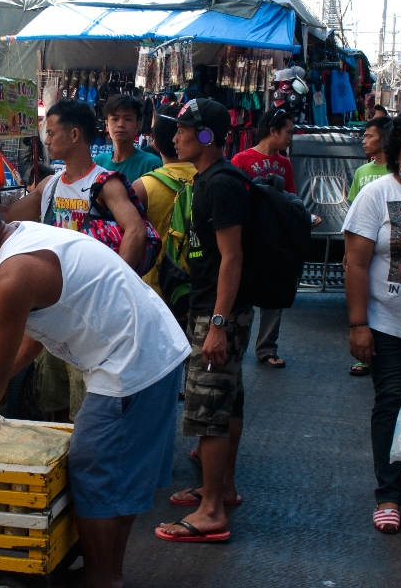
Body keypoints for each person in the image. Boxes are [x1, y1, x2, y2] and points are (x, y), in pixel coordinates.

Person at [0, 176, 190, 587]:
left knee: (93, 467)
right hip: (155, 349)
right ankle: (107, 570)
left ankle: (103, 578)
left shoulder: (13, 276)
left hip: (132, 367)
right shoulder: (30, 236)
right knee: (114, 473)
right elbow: (29, 340)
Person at [0, 100, 151, 421]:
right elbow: (9, 218)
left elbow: (135, 230)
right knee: (54, 405)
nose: (47, 140)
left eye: (52, 132)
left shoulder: (104, 182)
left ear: (75, 134)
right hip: (57, 316)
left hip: (92, 320)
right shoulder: (49, 185)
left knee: (89, 411)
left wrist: (118, 288)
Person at [155, 99, 254, 543]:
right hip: (215, 309)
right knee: (226, 401)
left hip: (219, 314)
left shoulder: (220, 184)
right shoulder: (206, 181)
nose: (174, 137)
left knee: (208, 408)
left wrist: (217, 323)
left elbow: (231, 259)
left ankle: (211, 510)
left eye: (184, 129)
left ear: (208, 136)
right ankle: (221, 488)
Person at [343, 111, 401, 534]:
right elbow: (355, 264)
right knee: (391, 400)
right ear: (396, 153)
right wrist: (358, 324)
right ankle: (388, 494)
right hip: (388, 322)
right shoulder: (376, 195)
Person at [231, 109, 304, 369]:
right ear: (273, 131)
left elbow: (291, 200)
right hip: (248, 238)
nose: (289, 138)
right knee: (244, 293)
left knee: (274, 293)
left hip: (275, 240)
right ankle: (237, 343)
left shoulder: (285, 164)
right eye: (288, 133)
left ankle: (266, 348)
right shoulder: (241, 159)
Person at [132, 102, 197, 308]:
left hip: (155, 290)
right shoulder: (207, 179)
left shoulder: (143, 186)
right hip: (199, 288)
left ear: (155, 143)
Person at [346, 115, 393, 377]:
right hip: (364, 247)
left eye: (369, 136)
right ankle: (365, 353)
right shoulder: (362, 173)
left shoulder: (395, 175)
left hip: (387, 249)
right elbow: (352, 214)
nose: (364, 141)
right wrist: (347, 252)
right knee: (363, 297)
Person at [94, 94, 162, 183]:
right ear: (107, 125)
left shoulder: (151, 164)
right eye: (115, 119)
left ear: (138, 125)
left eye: (128, 119)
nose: (120, 124)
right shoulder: (98, 162)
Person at [348, 116, 392, 203]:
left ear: (384, 138)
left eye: (369, 136)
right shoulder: (361, 171)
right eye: (365, 137)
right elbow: (354, 205)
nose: (364, 141)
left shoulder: (399, 172)